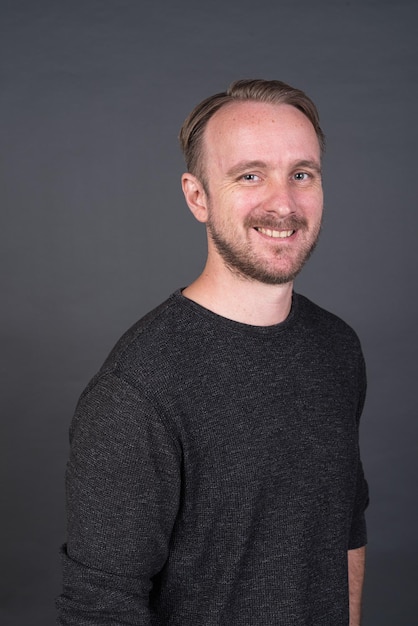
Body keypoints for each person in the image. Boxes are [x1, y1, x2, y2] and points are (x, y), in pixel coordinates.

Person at [57, 79, 369, 625]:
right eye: (250, 175)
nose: (284, 203)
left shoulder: (338, 348)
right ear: (197, 196)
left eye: (302, 175)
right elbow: (100, 610)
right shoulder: (138, 390)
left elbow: (346, 528)